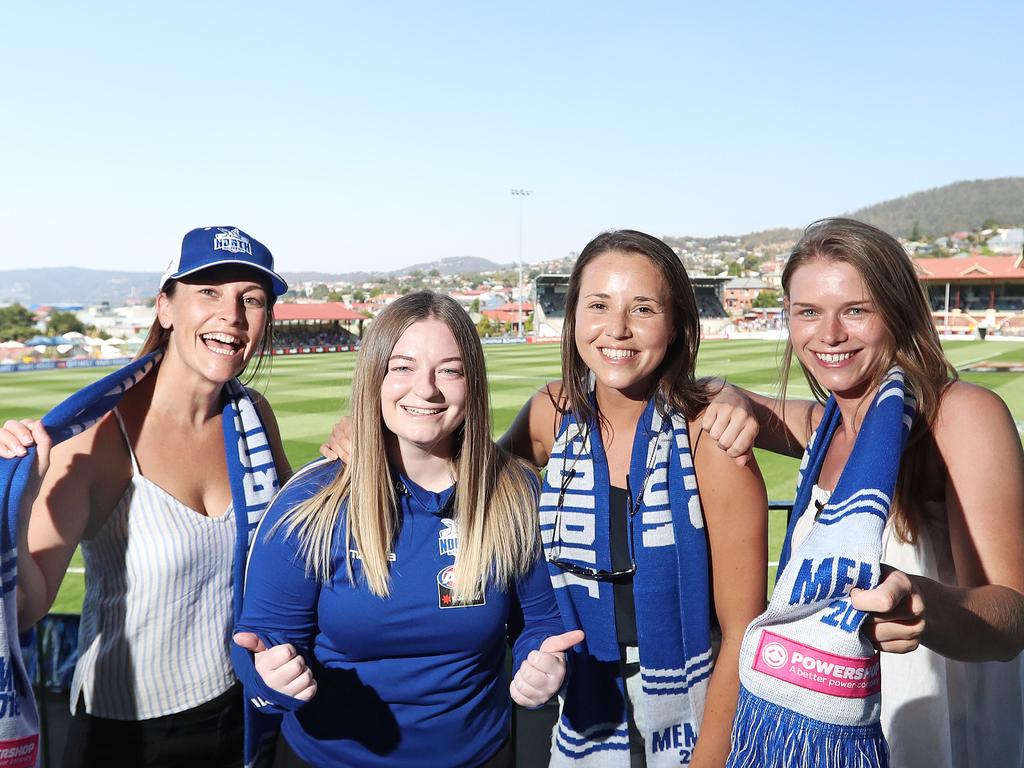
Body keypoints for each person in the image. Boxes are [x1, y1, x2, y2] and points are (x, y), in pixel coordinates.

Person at [723, 217, 1024, 768]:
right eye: (807, 312)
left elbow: (1012, 618)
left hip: (944, 737)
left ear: (900, 312)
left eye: (856, 310)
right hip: (833, 741)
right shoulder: (824, 429)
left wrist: (923, 604)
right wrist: (726, 393)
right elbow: (728, 397)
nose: (829, 334)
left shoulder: (958, 415)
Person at [232, 291, 579, 768]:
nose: (427, 389)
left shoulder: (515, 493)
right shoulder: (310, 504)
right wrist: (274, 682)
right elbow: (262, 644)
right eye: (402, 367)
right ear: (374, 376)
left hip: (480, 758)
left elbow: (540, 625)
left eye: (450, 370)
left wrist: (539, 665)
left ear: (472, 383)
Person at [0, 226, 292, 768]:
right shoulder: (97, 436)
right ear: (165, 307)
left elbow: (297, 550)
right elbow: (23, 611)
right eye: (208, 291)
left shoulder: (253, 418)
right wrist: (12, 505)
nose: (231, 313)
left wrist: (351, 453)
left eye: (250, 299)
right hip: (126, 734)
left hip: (240, 708)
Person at [503, 230, 767, 767]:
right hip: (580, 707)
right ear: (573, 317)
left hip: (692, 714)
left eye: (643, 308)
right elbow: (467, 484)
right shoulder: (549, 414)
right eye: (598, 305)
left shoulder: (711, 437)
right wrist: (371, 440)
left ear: (675, 327)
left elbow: (744, 631)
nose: (617, 329)